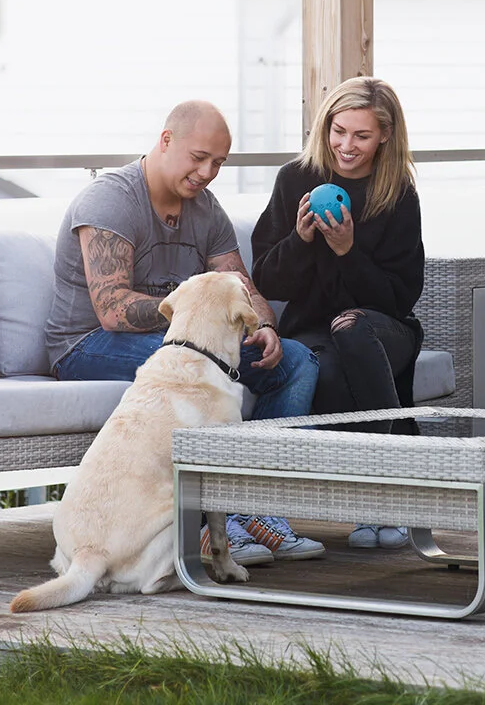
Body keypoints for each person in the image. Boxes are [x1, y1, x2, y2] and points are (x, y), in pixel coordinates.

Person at [45, 99, 324, 563]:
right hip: (86, 344)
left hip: (186, 343)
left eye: (218, 163)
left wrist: (262, 325)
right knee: (194, 369)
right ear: (166, 140)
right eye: (199, 158)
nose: (207, 172)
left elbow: (241, 286)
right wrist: (196, 312)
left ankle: (257, 510)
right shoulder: (112, 199)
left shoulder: (206, 211)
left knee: (295, 361)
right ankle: (212, 524)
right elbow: (112, 309)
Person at [250, 77, 425, 550]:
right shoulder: (295, 180)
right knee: (329, 364)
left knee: (352, 328)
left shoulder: (398, 193)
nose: (346, 145)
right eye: (338, 131)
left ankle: (376, 500)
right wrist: (301, 240)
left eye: (361, 135)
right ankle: (386, 494)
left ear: (385, 135)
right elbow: (267, 280)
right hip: (314, 330)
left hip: (384, 327)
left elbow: (400, 297)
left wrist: (348, 251)